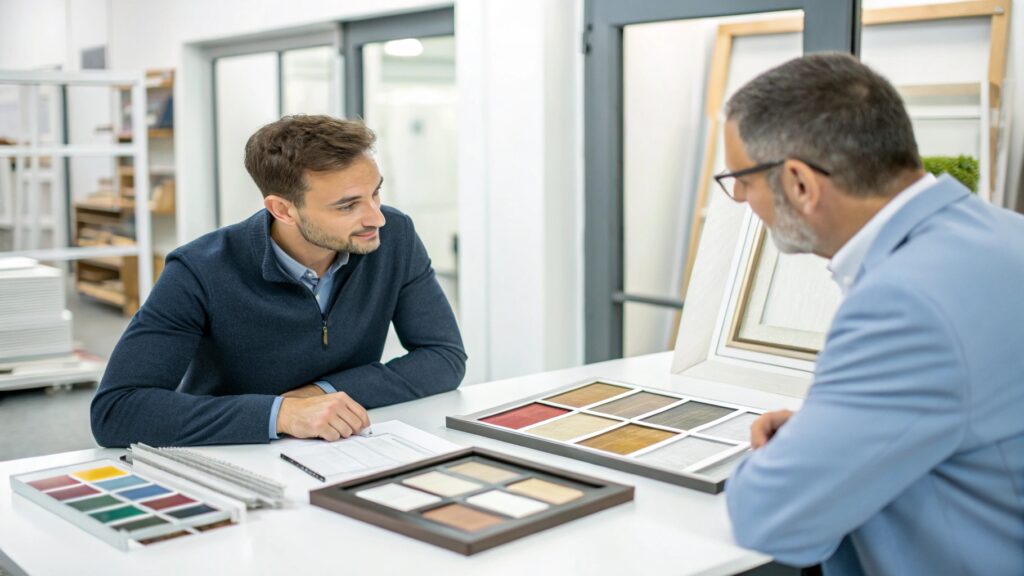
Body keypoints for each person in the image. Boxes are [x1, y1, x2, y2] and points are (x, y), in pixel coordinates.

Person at [719, 54, 1024, 574]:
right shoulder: (1006, 233)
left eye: (742, 179)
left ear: (799, 183)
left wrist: (791, 458)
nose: (741, 198)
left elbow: (768, 515)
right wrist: (837, 429)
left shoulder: (904, 305)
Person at [91, 115, 466, 447]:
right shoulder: (198, 270)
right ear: (282, 209)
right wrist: (282, 414)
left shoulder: (394, 236)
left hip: (344, 447)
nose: (376, 218)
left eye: (376, 192)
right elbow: (117, 410)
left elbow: (443, 358)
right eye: (348, 205)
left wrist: (322, 393)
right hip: (231, 455)